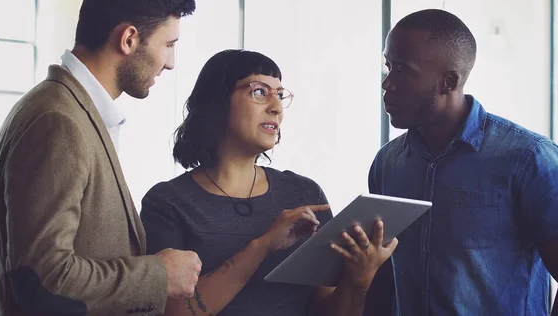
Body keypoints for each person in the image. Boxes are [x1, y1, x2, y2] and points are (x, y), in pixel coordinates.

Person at [140, 49, 398, 316]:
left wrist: (359, 279)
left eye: (280, 94)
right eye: (260, 92)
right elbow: (174, 311)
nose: (276, 108)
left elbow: (326, 309)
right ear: (216, 101)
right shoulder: (167, 203)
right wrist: (262, 245)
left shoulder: (305, 194)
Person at [0, 1, 200, 315]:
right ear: (128, 39)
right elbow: (43, 280)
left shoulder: (69, 109)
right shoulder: (58, 120)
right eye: (168, 44)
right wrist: (158, 275)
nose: (170, 63)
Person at [367, 8, 558, 315]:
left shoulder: (528, 159)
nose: (387, 84)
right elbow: (384, 279)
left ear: (449, 81)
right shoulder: (387, 163)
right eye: (388, 67)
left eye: (402, 70)